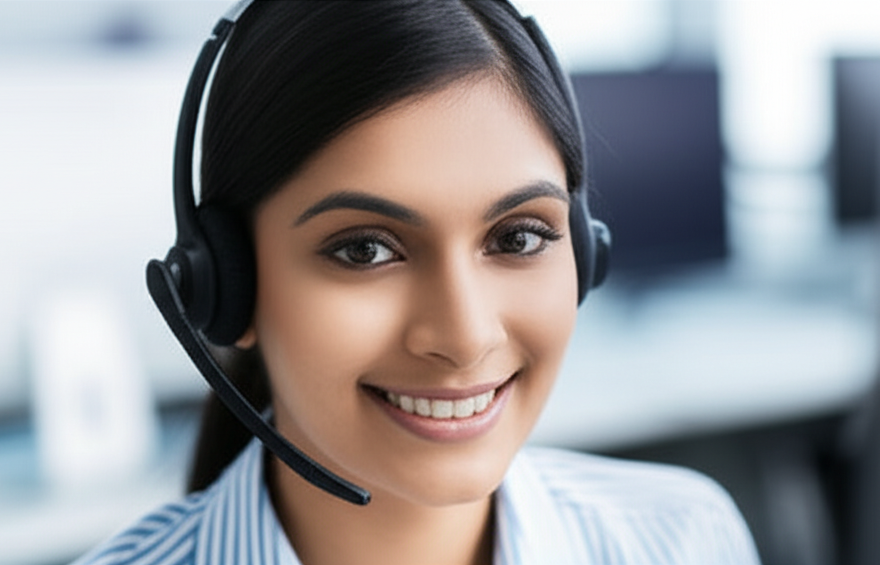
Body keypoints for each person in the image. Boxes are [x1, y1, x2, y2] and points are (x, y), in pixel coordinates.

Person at [75, 1, 760, 563]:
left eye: (518, 237)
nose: (464, 337)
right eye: (366, 249)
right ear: (229, 282)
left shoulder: (682, 538)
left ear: (583, 250)